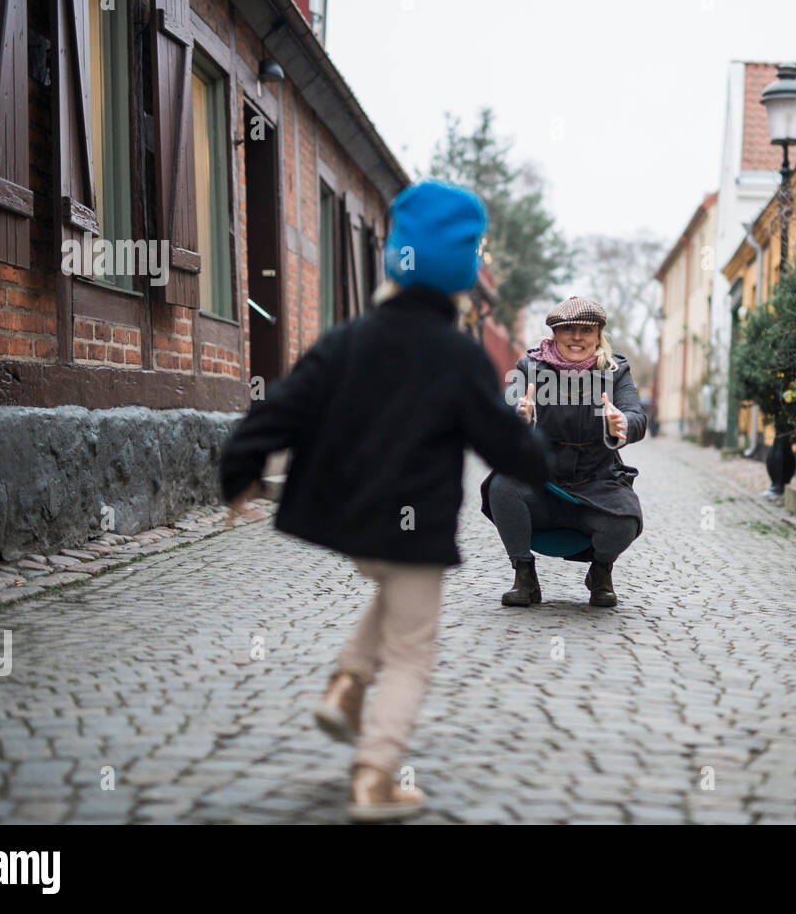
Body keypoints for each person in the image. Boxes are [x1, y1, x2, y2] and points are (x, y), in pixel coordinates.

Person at [220, 180, 550, 822]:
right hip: (414, 527)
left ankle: (346, 683)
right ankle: (374, 775)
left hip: (354, 522)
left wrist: (239, 472)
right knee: (411, 651)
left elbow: (279, 408)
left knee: (393, 599)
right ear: (460, 276)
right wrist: (539, 458)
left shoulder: (347, 339)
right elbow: (505, 442)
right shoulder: (458, 356)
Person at [481, 297, 647, 608]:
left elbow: (636, 416)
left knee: (627, 520)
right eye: (568, 329)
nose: (577, 337)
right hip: (541, 482)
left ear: (598, 335)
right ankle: (524, 576)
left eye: (586, 329)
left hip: (598, 484)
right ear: (554, 334)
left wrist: (621, 422)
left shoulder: (616, 372)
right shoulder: (528, 367)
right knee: (502, 485)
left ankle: (601, 574)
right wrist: (518, 420)